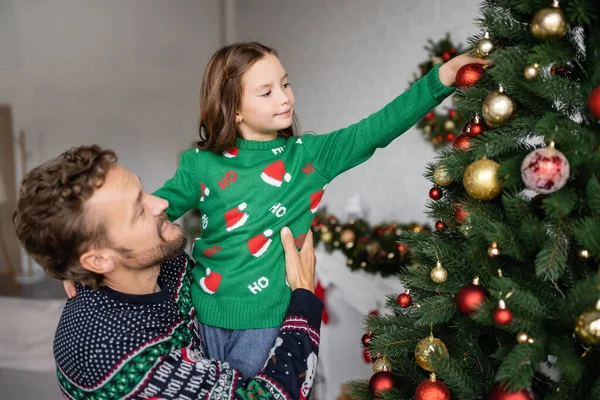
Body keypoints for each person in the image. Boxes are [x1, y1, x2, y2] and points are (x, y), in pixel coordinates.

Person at [151, 42, 487, 377]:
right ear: (233, 109)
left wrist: (441, 78)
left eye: (285, 84)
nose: (284, 97)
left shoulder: (308, 157)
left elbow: (375, 129)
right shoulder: (199, 164)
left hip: (268, 323)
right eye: (266, 92)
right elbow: (152, 212)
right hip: (200, 314)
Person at [13, 145, 323, 399]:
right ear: (98, 261)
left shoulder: (160, 262)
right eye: (138, 210)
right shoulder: (112, 358)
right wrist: (304, 299)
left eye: (143, 190)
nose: (161, 203)